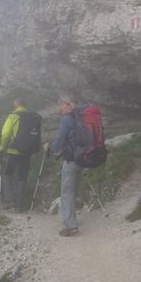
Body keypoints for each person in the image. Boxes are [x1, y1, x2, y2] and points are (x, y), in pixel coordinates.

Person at [45, 93, 83, 237]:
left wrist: (49, 147)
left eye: (62, 105)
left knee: (67, 191)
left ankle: (71, 226)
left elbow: (60, 141)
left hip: (71, 160)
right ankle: (71, 218)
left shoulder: (67, 119)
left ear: (68, 105)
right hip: (83, 158)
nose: (60, 108)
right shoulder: (81, 116)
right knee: (73, 189)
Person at [0, 98, 32, 211]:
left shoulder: (12, 116)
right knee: (22, 177)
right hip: (26, 152)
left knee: (8, 174)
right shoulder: (31, 117)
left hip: (13, 152)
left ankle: (10, 201)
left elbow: (6, 134)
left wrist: (2, 147)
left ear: (17, 104)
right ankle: (20, 205)